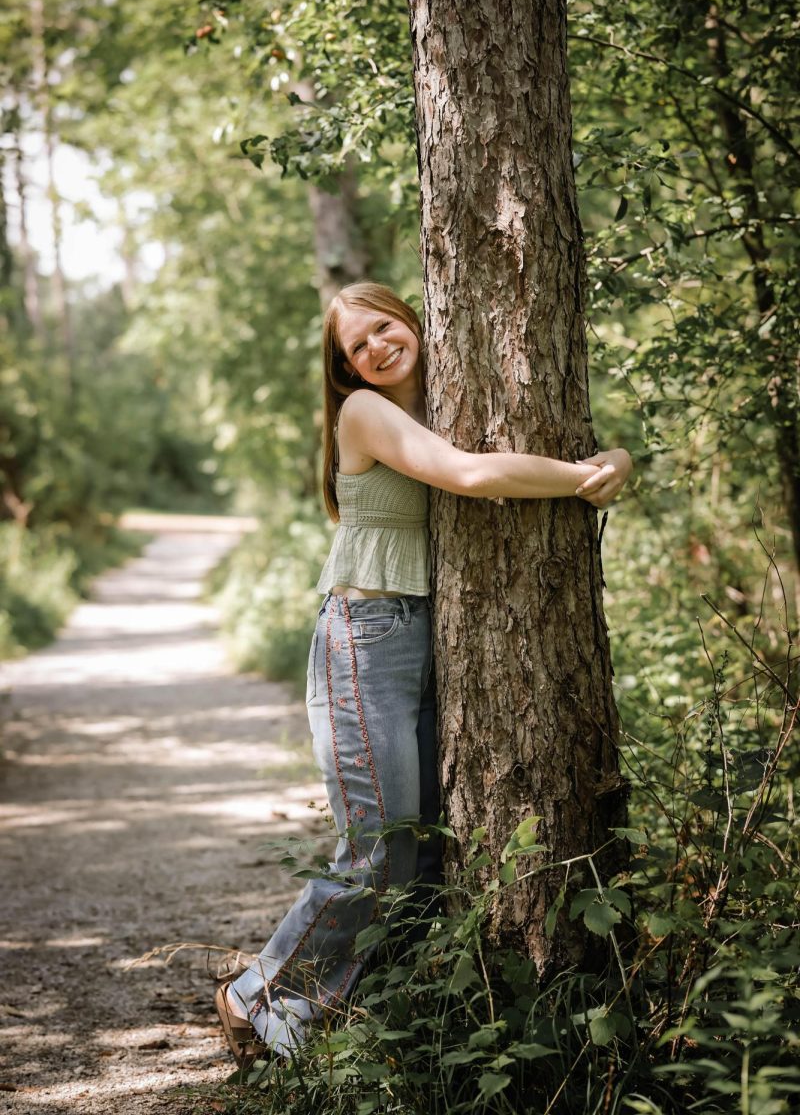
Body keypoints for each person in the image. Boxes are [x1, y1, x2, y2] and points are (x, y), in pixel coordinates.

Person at [214, 281, 633, 1065]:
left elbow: (543, 446)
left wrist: (615, 456)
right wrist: (583, 478)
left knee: (430, 854)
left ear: (411, 318)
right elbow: (471, 476)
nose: (375, 347)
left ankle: (330, 1005)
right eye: (355, 347)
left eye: (382, 326)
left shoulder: (461, 392)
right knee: (380, 848)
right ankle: (256, 993)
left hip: (427, 634)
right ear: (344, 372)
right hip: (363, 640)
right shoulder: (365, 414)